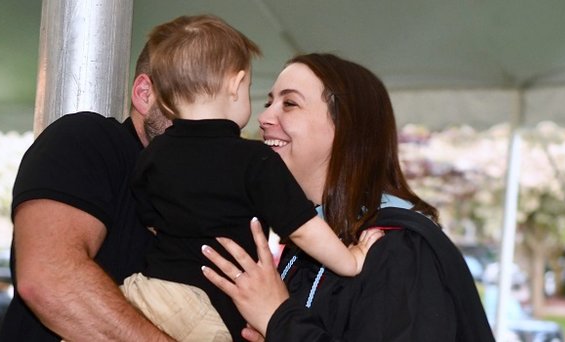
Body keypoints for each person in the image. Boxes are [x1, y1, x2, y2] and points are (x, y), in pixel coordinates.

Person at [201, 53, 495, 341]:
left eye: (289, 103)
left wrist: (278, 317)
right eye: (268, 102)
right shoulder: (313, 242)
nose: (263, 117)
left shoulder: (400, 249)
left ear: (345, 128)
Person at [126, 15, 380, 342]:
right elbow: (302, 230)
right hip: (205, 309)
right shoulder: (254, 160)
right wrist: (351, 260)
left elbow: (150, 219)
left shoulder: (151, 154)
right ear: (235, 84)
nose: (263, 114)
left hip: (149, 291)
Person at [0, 16, 193, 342]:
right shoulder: (88, 140)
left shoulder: (196, 200)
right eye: (195, 101)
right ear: (145, 94)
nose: (211, 124)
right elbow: (50, 277)